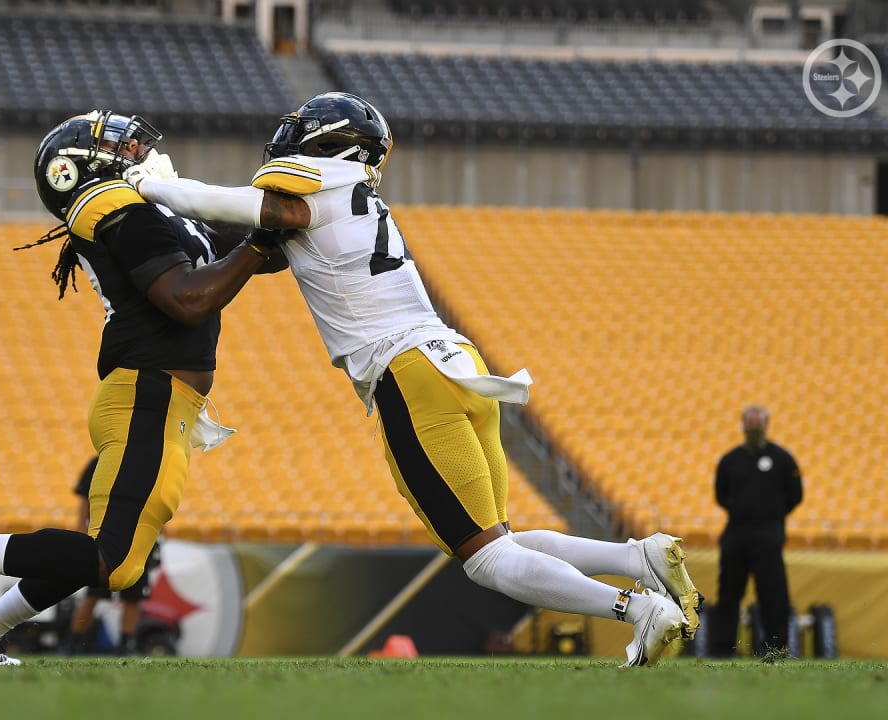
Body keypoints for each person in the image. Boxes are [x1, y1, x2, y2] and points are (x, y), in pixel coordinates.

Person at [124, 91, 701, 667]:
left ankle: (637, 608)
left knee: (486, 560)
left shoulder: (313, 183)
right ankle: (638, 558)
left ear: (330, 139)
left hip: (408, 371)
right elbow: (259, 240)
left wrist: (150, 185)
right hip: (457, 362)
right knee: (499, 540)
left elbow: (228, 205)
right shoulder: (352, 195)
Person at [0, 110, 287, 665]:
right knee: (112, 562)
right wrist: (259, 239)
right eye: (120, 144)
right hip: (147, 389)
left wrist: (283, 218)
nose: (136, 150)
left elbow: (258, 252)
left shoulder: (147, 211)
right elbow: (190, 299)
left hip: (162, 396)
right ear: (79, 167)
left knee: (111, 558)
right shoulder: (105, 205)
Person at [710, 404, 803, 657]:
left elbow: (795, 495)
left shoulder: (782, 459)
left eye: (757, 425)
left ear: (765, 426)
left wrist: (771, 517)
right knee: (728, 594)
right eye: (750, 426)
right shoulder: (730, 461)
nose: (753, 430)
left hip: (768, 537)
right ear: (743, 427)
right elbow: (721, 495)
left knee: (773, 595)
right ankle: (721, 650)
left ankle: (774, 648)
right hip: (736, 535)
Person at [65, 455, 160, 656]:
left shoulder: (148, 460)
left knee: (133, 596)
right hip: (106, 533)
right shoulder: (103, 459)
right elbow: (85, 496)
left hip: (137, 534)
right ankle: (74, 644)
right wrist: (82, 526)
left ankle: (126, 646)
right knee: (93, 593)